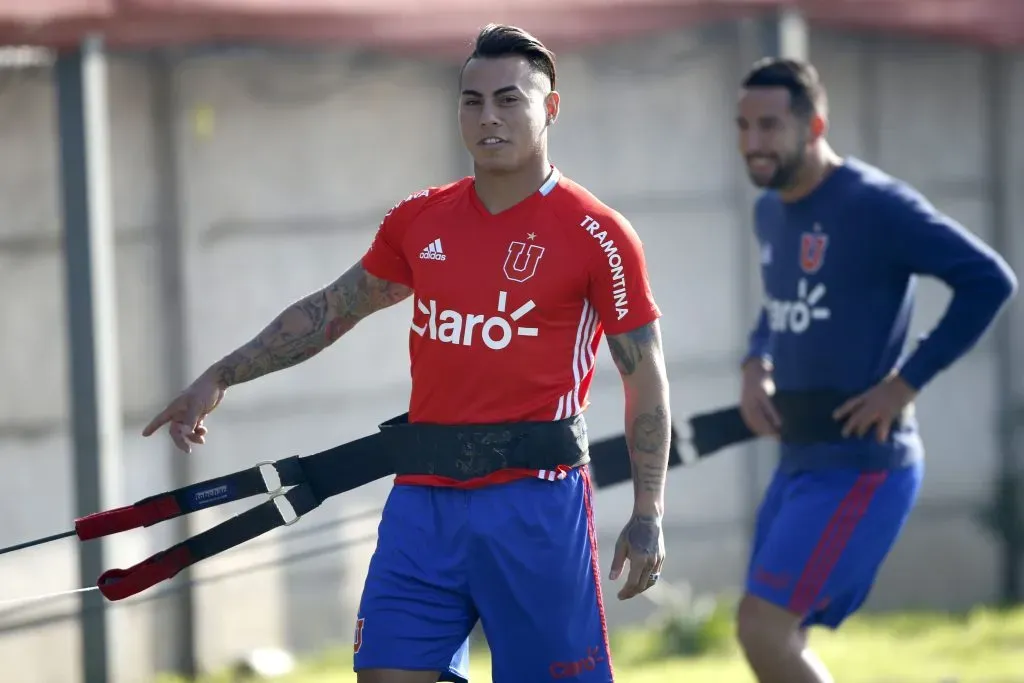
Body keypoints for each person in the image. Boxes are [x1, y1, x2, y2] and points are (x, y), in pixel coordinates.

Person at [142, 24, 671, 683]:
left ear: (550, 109)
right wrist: (220, 375)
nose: (488, 118)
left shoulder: (598, 234)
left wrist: (647, 512)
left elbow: (644, 379)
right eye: (471, 101)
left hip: (534, 508)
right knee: (387, 674)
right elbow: (332, 309)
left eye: (510, 100)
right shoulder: (421, 220)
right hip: (423, 503)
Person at [733, 56, 1018, 683]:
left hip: (863, 466)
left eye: (770, 126)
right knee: (774, 634)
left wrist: (904, 382)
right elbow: (780, 300)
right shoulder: (770, 210)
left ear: (814, 126)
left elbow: (989, 281)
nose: (753, 142)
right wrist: (757, 360)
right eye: (744, 126)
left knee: (763, 627)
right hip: (799, 461)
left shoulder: (876, 205)